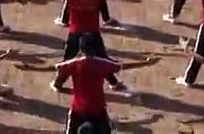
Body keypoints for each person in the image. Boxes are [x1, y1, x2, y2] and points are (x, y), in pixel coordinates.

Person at [13, 32, 158, 133]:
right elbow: (123, 65)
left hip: (78, 109)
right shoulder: (102, 64)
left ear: (80, 49)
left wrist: (30, 68)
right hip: (98, 109)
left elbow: (51, 67)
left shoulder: (74, 64)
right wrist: (146, 63)